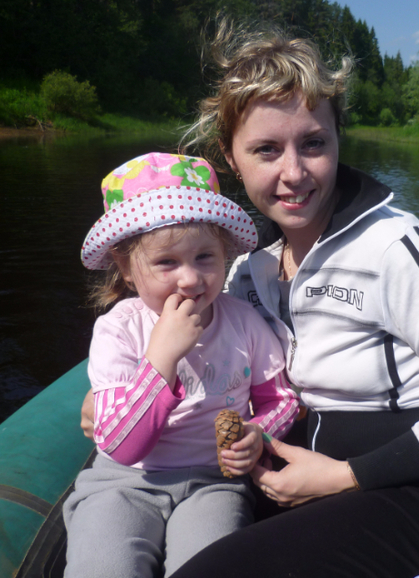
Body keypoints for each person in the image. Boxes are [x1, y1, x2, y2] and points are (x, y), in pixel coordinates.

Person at [81, 20, 419, 578]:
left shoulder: (396, 249)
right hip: (301, 474)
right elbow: (240, 374)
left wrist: (345, 477)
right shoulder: (246, 272)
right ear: (231, 157)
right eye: (266, 149)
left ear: (339, 139)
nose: (293, 173)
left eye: (314, 143)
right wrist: (120, 394)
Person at [64, 152, 299, 578]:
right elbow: (120, 444)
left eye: (205, 257)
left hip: (215, 483)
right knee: (103, 566)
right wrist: (162, 357)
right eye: (166, 262)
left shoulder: (244, 322)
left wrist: (258, 433)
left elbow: (280, 399)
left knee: (207, 565)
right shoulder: (119, 330)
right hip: (125, 480)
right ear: (127, 268)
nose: (190, 279)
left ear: (224, 252)